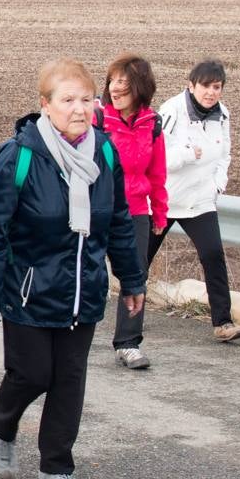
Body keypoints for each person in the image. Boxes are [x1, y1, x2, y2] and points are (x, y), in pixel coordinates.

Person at [0, 58, 145, 479]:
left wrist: (132, 278)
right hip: (28, 288)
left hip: (83, 287)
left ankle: (57, 466)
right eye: (68, 100)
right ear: (45, 105)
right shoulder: (21, 156)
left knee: (69, 376)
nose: (80, 109)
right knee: (32, 373)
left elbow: (119, 220)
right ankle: (1, 419)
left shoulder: (103, 153)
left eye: (87, 99)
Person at [148, 59, 240, 342]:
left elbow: (224, 153)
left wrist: (218, 184)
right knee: (139, 261)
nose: (211, 92)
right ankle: (129, 322)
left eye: (217, 87)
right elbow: (158, 156)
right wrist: (190, 154)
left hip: (200, 200)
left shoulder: (222, 115)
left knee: (213, 255)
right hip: (165, 198)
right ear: (191, 85)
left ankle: (223, 323)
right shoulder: (171, 110)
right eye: (205, 86)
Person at [96, 54, 168, 368]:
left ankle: (128, 343)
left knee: (135, 276)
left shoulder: (151, 126)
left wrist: (160, 214)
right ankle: (71, 331)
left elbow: (158, 174)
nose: (116, 88)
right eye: (113, 81)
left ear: (140, 88)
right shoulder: (97, 120)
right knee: (88, 272)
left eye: (124, 83)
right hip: (97, 208)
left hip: (135, 210)